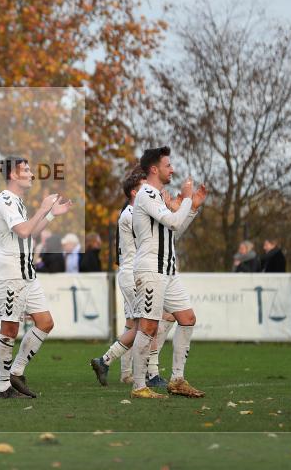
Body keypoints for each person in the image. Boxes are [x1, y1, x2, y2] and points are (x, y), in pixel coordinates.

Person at [129, 146, 207, 400]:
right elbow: (173, 221)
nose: (172, 169)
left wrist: (192, 208)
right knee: (149, 326)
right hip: (151, 269)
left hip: (168, 270)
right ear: (155, 169)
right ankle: (139, 385)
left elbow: (173, 232)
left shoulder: (159, 195)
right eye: (168, 165)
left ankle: (177, 379)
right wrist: (185, 199)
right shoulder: (146, 194)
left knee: (187, 318)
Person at [0, 156, 72, 399]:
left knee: (45, 322)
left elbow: (29, 233)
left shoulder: (17, 201)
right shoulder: (5, 199)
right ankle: (3, 386)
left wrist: (50, 216)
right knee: (10, 328)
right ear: (14, 175)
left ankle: (16, 372)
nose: (31, 174)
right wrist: (43, 208)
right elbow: (24, 230)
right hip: (10, 273)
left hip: (27, 272)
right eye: (26, 170)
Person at [91, 165, 148, 386]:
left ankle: (125, 372)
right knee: (146, 325)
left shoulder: (131, 212)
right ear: (134, 191)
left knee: (134, 324)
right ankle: (107, 361)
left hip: (130, 272)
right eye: (145, 187)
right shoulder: (132, 214)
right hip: (134, 274)